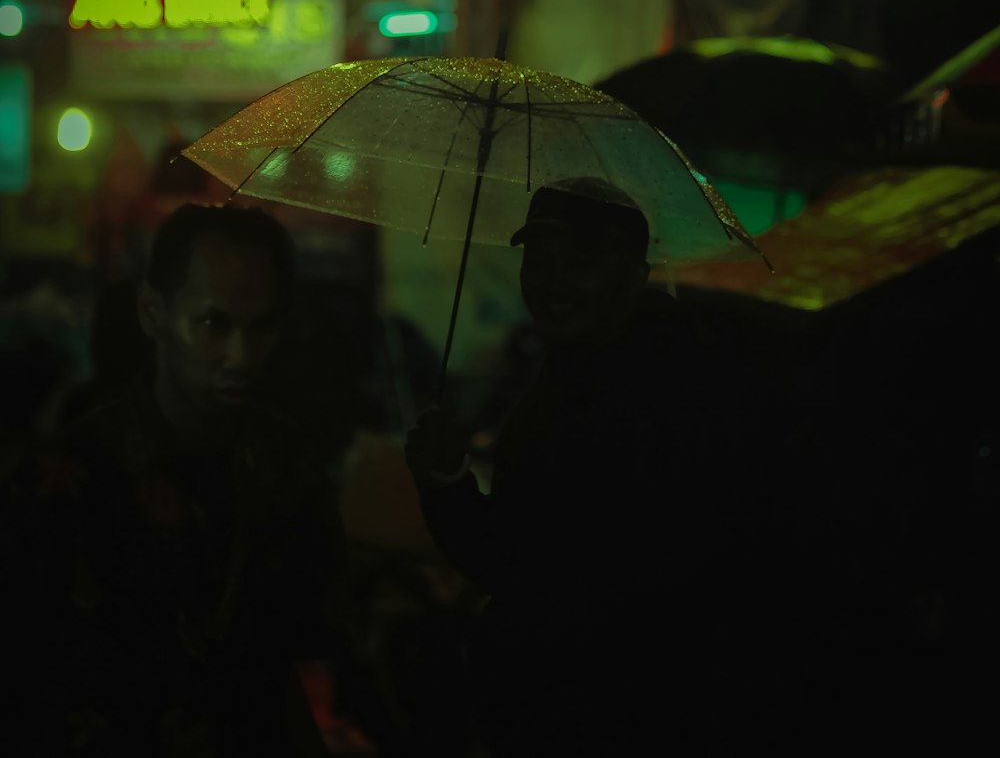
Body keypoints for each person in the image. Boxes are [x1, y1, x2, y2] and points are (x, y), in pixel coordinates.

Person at [405, 178, 775, 756]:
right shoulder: (581, 367)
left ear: (633, 277)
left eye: (581, 263)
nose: (553, 282)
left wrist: (445, 488)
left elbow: (530, 572)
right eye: (542, 260)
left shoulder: (641, 399)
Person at [3, 202, 376, 757]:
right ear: (154, 312)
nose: (240, 356)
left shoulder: (289, 468)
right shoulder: (72, 476)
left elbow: (308, 652)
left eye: (261, 327)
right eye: (213, 324)